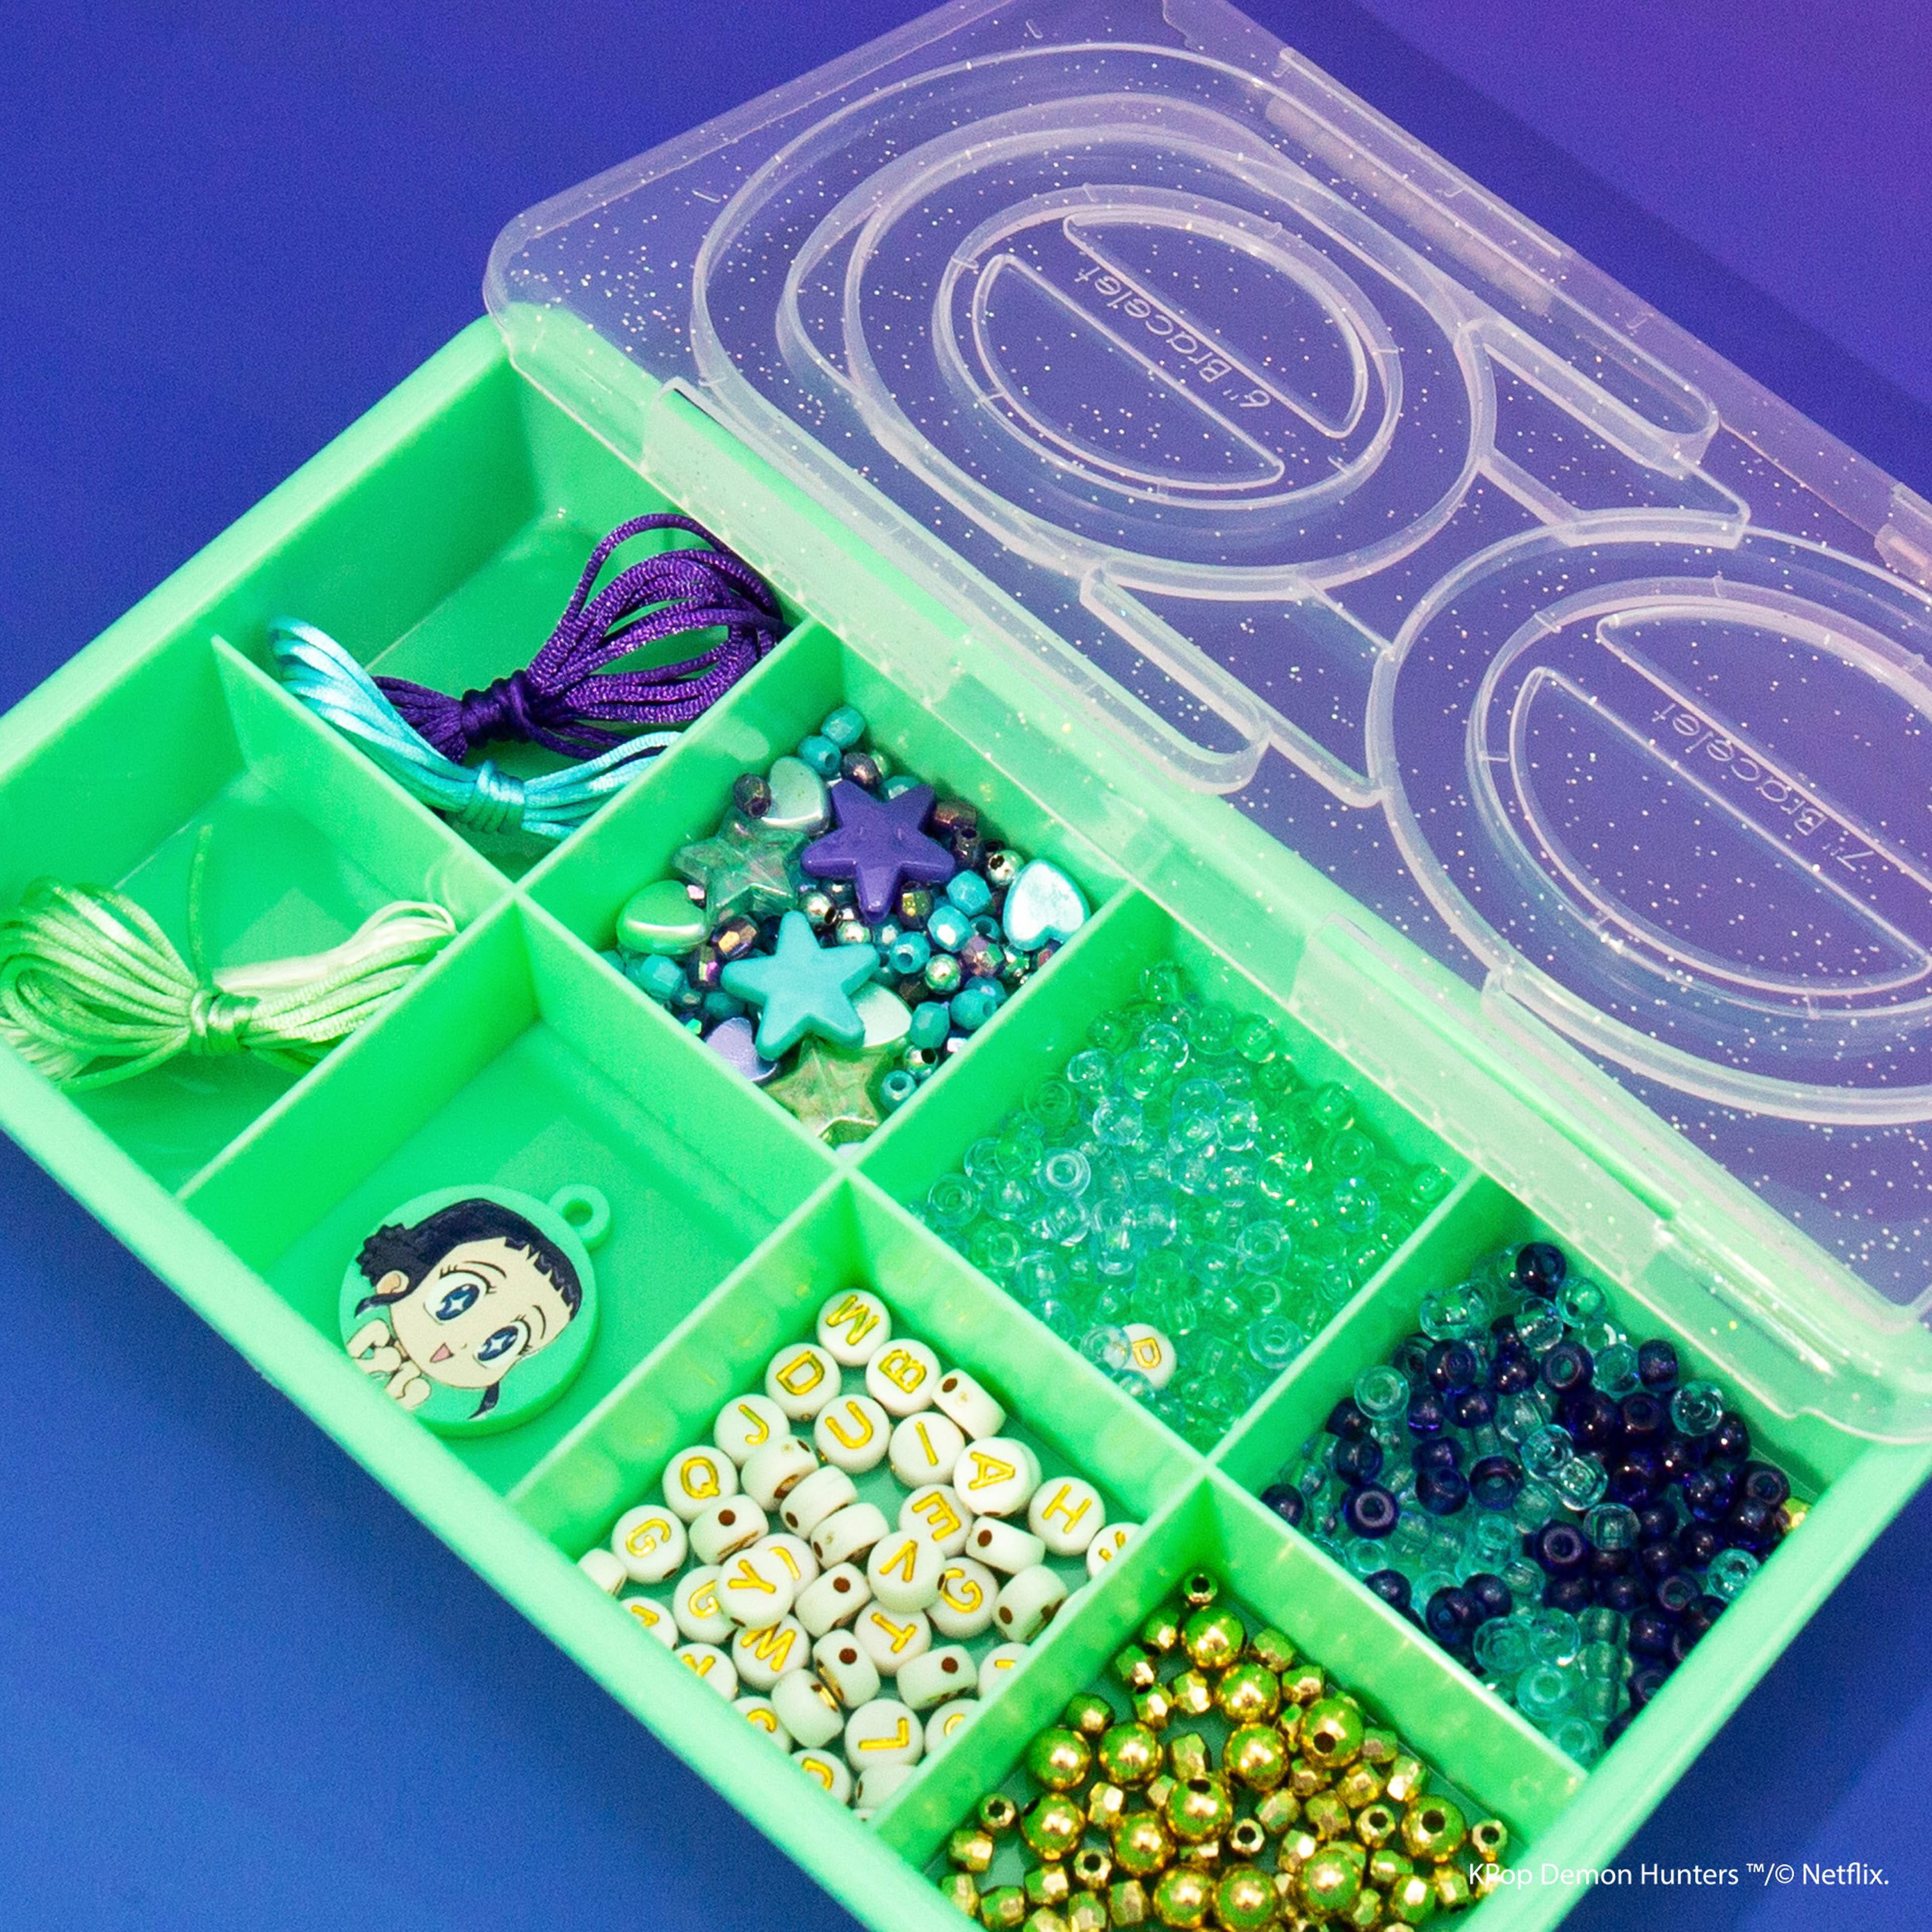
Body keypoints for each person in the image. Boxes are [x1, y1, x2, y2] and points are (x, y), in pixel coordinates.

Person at [344, 1196, 583, 1421]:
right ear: (394, 1283)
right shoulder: (374, 1333)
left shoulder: (419, 1391)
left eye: (503, 1342)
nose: (461, 1342)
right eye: (458, 1299)